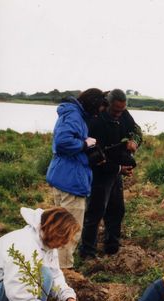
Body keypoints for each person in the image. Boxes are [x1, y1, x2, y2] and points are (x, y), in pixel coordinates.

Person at [46, 88, 106, 268]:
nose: (97, 114)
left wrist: (84, 142)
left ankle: (52, 269)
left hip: (63, 176)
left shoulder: (71, 113)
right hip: (71, 181)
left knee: (57, 228)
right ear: (93, 104)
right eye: (97, 110)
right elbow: (62, 141)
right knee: (69, 231)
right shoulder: (74, 115)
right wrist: (84, 143)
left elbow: (65, 139)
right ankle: (65, 273)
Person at [80, 89, 142, 259]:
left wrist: (134, 142)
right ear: (106, 104)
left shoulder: (123, 114)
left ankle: (112, 249)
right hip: (99, 172)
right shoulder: (95, 120)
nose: (118, 114)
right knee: (95, 212)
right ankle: (88, 254)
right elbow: (93, 157)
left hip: (116, 170)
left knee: (117, 210)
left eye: (121, 110)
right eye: (115, 110)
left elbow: (137, 131)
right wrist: (118, 169)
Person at [0, 207, 83, 301]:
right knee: (43, 274)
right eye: (64, 238)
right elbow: (17, 292)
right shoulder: (24, 246)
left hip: (6, 287)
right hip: (4, 289)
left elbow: (55, 274)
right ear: (55, 232)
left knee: (45, 274)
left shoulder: (46, 242)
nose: (65, 243)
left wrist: (68, 297)